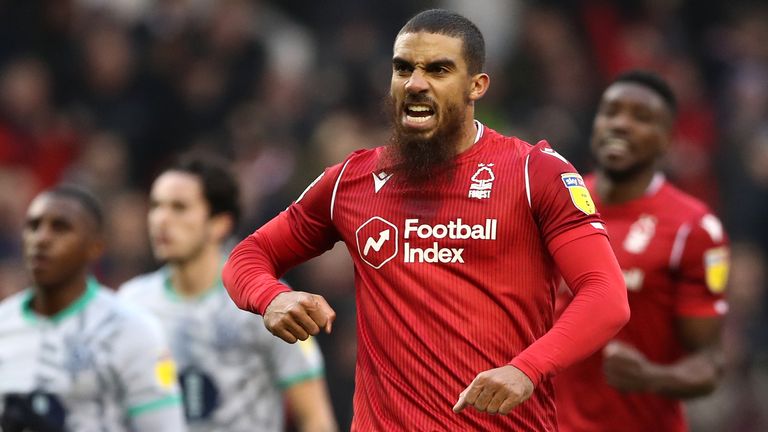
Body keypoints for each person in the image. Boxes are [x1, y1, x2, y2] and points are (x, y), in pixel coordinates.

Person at [223, 9, 630, 431]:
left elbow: (605, 295)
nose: (416, 84)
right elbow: (247, 256)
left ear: (477, 85)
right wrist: (271, 297)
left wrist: (528, 369)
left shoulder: (534, 173)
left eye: (438, 70)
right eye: (403, 69)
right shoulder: (352, 181)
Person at [553, 70, 730, 432]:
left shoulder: (692, 229)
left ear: (667, 140)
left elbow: (709, 363)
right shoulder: (555, 204)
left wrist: (651, 377)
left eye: (642, 117)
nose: (621, 124)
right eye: (611, 112)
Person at [118, 153, 338, 432]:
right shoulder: (132, 303)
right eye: (156, 206)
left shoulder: (266, 302)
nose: (161, 219)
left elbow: (315, 418)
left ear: (219, 224)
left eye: (179, 207)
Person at [0, 185, 186, 432]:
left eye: (60, 228)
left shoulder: (133, 330)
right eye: (33, 226)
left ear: (95, 247)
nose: (41, 239)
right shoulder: (4, 324)